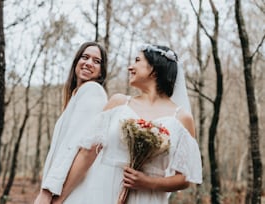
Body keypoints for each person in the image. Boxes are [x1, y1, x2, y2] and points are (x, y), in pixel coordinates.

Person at [52, 44, 202, 204]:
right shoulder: (118, 102)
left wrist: (148, 182)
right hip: (100, 191)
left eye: (137, 60)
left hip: (147, 198)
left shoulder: (182, 118)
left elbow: (184, 178)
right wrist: (59, 198)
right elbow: (87, 153)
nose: (130, 67)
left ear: (155, 69)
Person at [34, 41, 108, 204]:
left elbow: (82, 148)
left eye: (96, 61)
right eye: (85, 57)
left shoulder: (92, 91)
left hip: (71, 193)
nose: (89, 63)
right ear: (76, 62)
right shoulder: (77, 95)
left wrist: (50, 193)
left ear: (101, 72)